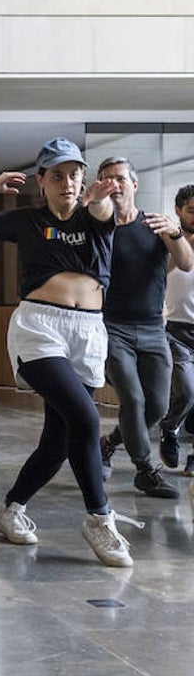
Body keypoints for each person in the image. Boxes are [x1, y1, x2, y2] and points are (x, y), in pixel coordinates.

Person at [0, 137, 141, 567]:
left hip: (89, 331)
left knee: (58, 441)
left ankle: (11, 509)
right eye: (57, 175)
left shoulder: (98, 213)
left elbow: (102, 211)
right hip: (40, 327)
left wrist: (94, 199)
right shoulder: (27, 220)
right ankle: (99, 518)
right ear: (42, 181)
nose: (68, 182)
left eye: (75, 173)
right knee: (87, 418)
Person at [94, 158, 193, 498]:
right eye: (106, 178)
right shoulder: (99, 228)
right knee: (133, 399)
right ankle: (145, 470)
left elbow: (185, 262)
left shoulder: (155, 225)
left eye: (120, 177)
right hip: (112, 327)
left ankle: (108, 444)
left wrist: (175, 231)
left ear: (134, 185)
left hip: (153, 328)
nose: (114, 183)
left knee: (158, 407)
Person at [156, 185, 194, 473]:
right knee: (186, 390)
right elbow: (160, 272)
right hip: (175, 328)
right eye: (192, 210)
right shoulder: (167, 238)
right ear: (178, 210)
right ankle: (169, 428)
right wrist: (182, 243)